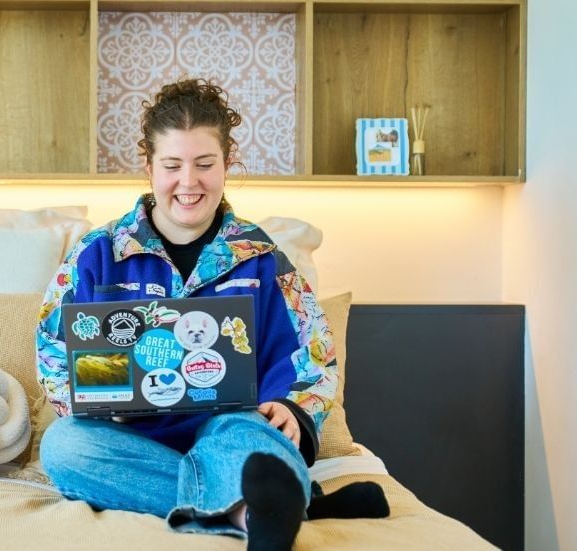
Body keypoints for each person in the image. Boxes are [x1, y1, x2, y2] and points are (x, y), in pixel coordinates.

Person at [35, 79, 387, 551]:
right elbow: (53, 351)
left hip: (232, 429)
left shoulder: (260, 256)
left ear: (227, 165)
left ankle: (262, 496)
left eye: (204, 164)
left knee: (242, 431)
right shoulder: (96, 254)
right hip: (133, 442)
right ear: (149, 168)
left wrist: (294, 409)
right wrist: (100, 398)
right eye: (172, 165)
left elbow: (313, 352)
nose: (188, 181)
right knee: (63, 446)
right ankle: (273, 505)